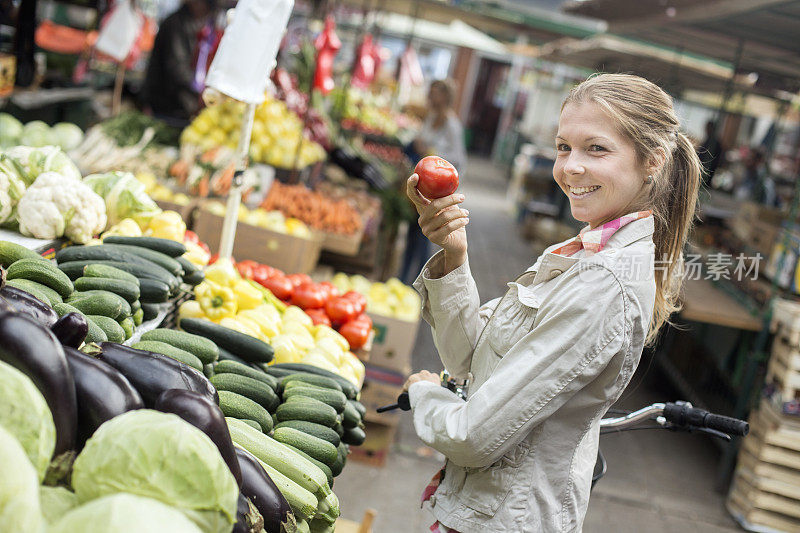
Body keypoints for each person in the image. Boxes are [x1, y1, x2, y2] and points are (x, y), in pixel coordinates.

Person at [403, 73, 701, 532]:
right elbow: (469, 358)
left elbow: (473, 436)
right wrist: (454, 256)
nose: (570, 167)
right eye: (564, 147)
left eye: (596, 149)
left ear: (653, 162)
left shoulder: (605, 283)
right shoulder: (582, 253)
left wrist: (425, 394)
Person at [399, 79, 467, 284]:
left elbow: (459, 160)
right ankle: (403, 279)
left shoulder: (452, 126)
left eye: (436, 92)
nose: (431, 96)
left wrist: (432, 153)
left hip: (436, 191)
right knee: (413, 232)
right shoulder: (431, 118)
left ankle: (420, 283)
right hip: (421, 186)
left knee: (425, 236)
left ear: (446, 97)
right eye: (431, 91)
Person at [140, 0, 217, 125]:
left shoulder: (197, 25)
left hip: (178, 105)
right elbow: (177, 68)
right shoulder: (176, 25)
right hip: (167, 105)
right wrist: (201, 91)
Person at [698, 120, 723, 187]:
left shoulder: (713, 143)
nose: (706, 129)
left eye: (708, 127)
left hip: (707, 172)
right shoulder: (708, 140)